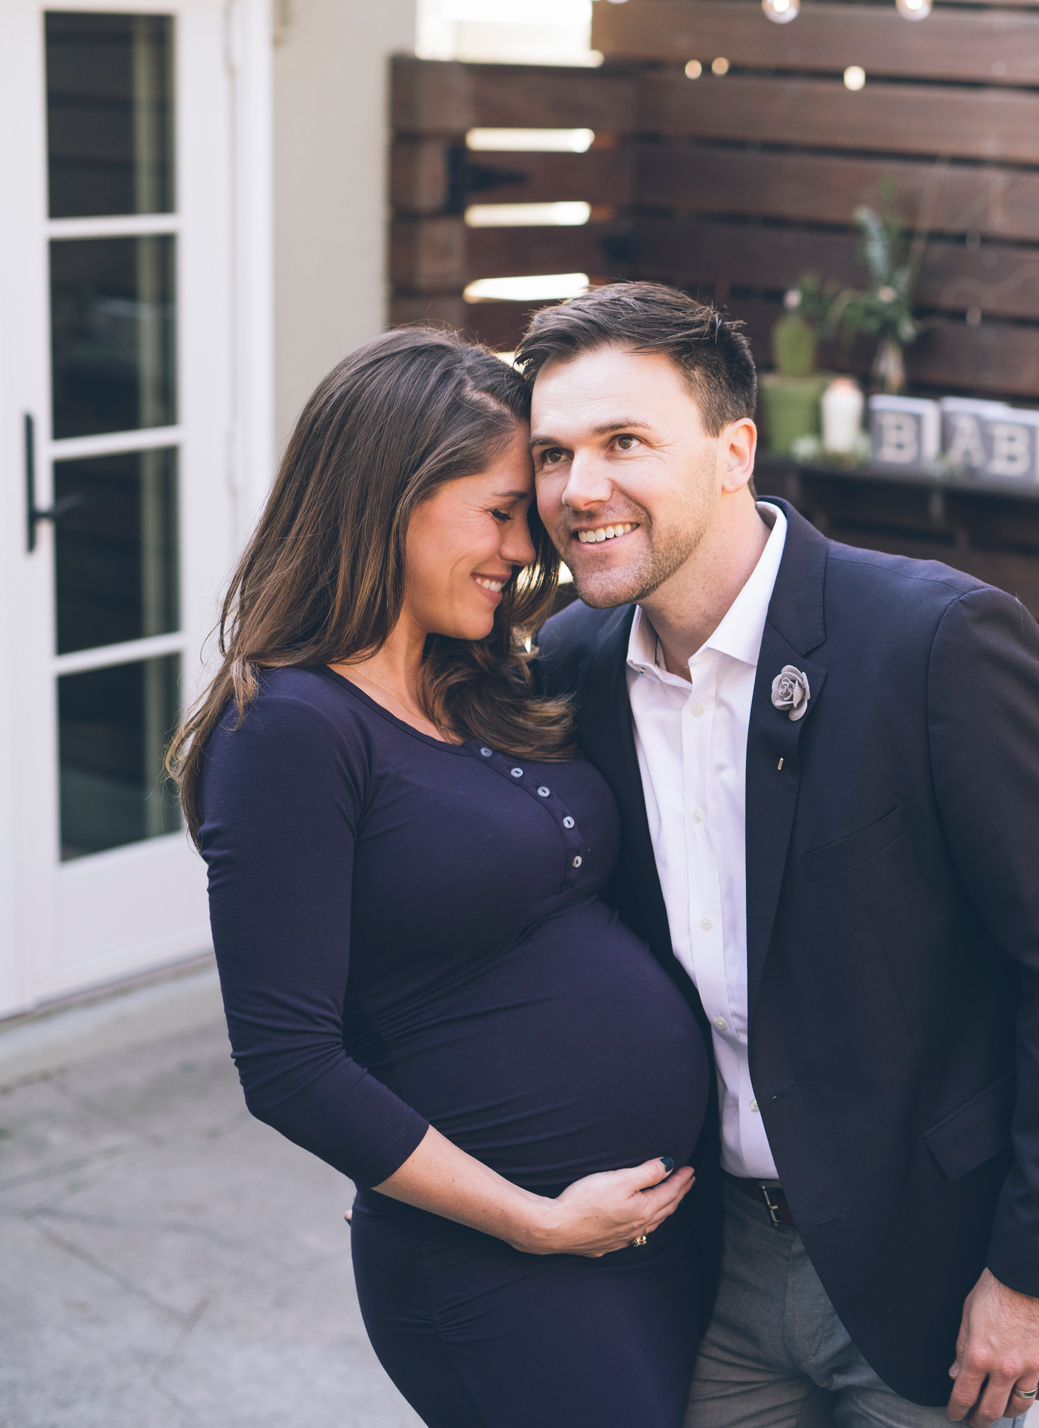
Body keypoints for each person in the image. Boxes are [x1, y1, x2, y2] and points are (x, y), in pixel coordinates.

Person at [523, 283, 1039, 1428]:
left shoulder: (937, 643)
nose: (581, 489)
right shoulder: (566, 664)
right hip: (702, 1261)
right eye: (553, 454)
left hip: (930, 1262)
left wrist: (1037, 1271)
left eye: (624, 443)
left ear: (733, 451)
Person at [168, 328, 714, 1428]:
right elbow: (287, 1065)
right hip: (502, 1269)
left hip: (658, 1234)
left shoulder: (482, 675)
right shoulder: (288, 730)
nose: (526, 546)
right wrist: (530, 1221)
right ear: (387, 500)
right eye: (499, 510)